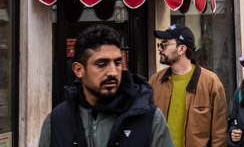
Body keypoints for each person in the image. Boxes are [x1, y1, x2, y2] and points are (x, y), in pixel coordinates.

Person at [39, 25, 174, 146]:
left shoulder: (149, 119)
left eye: (117, 63)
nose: (113, 72)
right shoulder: (56, 122)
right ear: (79, 70)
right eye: (102, 64)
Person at [150, 24, 228, 147]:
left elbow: (219, 134)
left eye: (164, 44)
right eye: (159, 45)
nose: (160, 48)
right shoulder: (155, 81)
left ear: (182, 49)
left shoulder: (211, 82)